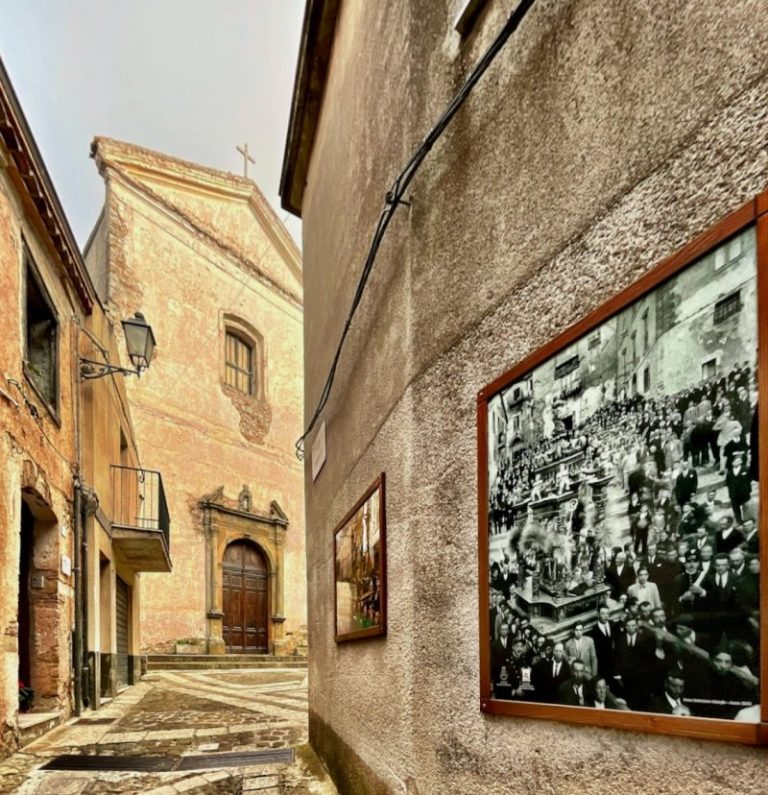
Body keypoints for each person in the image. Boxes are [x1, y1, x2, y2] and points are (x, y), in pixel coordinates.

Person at [726, 451, 752, 524]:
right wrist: (730, 494)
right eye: (735, 461)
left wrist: (747, 489)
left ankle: (748, 522)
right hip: (734, 494)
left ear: (741, 462)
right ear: (732, 463)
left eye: (738, 461)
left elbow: (749, 479)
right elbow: (728, 483)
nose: (736, 462)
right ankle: (739, 522)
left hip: (744, 493)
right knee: (736, 510)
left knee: (746, 509)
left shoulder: (746, 469)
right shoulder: (730, 472)